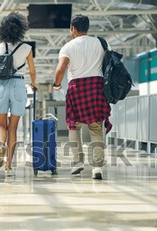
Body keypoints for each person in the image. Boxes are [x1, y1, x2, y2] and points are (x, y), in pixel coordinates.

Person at [53, 14, 112, 180]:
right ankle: (97, 167)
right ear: (87, 27)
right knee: (95, 127)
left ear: (73, 29)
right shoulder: (101, 43)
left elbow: (61, 69)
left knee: (74, 126)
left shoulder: (68, 47)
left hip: (76, 88)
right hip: (97, 87)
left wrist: (57, 84)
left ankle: (78, 162)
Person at [0, 12, 37, 177]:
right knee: (13, 128)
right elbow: (32, 71)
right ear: (20, 29)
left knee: (2, 124)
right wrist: (33, 84)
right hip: (18, 84)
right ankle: (9, 164)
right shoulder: (27, 48)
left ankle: (1, 144)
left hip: (2, 85)